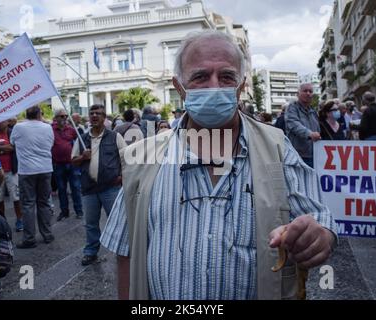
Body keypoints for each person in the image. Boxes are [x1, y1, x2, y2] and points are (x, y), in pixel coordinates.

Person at [100, 30, 336, 300]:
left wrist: (320, 236)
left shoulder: (277, 147)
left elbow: (318, 219)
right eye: (200, 77)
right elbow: (126, 251)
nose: (215, 86)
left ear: (241, 85)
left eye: (226, 77)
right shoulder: (141, 158)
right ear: (179, 87)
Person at [71, 104, 127, 266]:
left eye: (98, 113)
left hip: (111, 187)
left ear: (104, 118)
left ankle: (122, 249)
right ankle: (90, 252)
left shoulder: (114, 136)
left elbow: (126, 159)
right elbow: (73, 161)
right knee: (90, 223)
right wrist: (82, 157)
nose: (94, 116)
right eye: (92, 113)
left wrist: (122, 177)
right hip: (89, 188)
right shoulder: (82, 138)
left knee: (117, 220)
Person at [11, 105, 55, 248]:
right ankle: (47, 234)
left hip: (27, 170)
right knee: (44, 203)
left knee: (28, 205)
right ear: (39, 115)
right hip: (45, 168)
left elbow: (12, 143)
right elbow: (51, 144)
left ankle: (29, 238)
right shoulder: (47, 127)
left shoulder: (18, 127)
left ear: (26, 114)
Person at [0, 120, 23, 232]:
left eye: (2, 121)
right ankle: (2, 222)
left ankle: (19, 220)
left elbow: (14, 148)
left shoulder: (12, 133)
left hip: (11, 171)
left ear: (7, 122)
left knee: (16, 197)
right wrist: (5, 147)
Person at [52, 109, 83, 221]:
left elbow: (80, 141)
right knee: (61, 189)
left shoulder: (71, 129)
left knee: (75, 187)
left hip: (72, 163)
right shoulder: (51, 129)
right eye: (61, 116)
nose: (64, 118)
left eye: (65, 116)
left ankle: (79, 211)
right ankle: (64, 212)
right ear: (56, 118)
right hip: (58, 164)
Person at [285, 83, 321, 168]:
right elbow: (294, 124)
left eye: (310, 91)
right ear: (298, 94)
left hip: (313, 155)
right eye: (305, 91)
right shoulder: (292, 108)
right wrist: (309, 134)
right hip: (298, 156)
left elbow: (318, 129)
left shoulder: (313, 111)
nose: (308, 93)